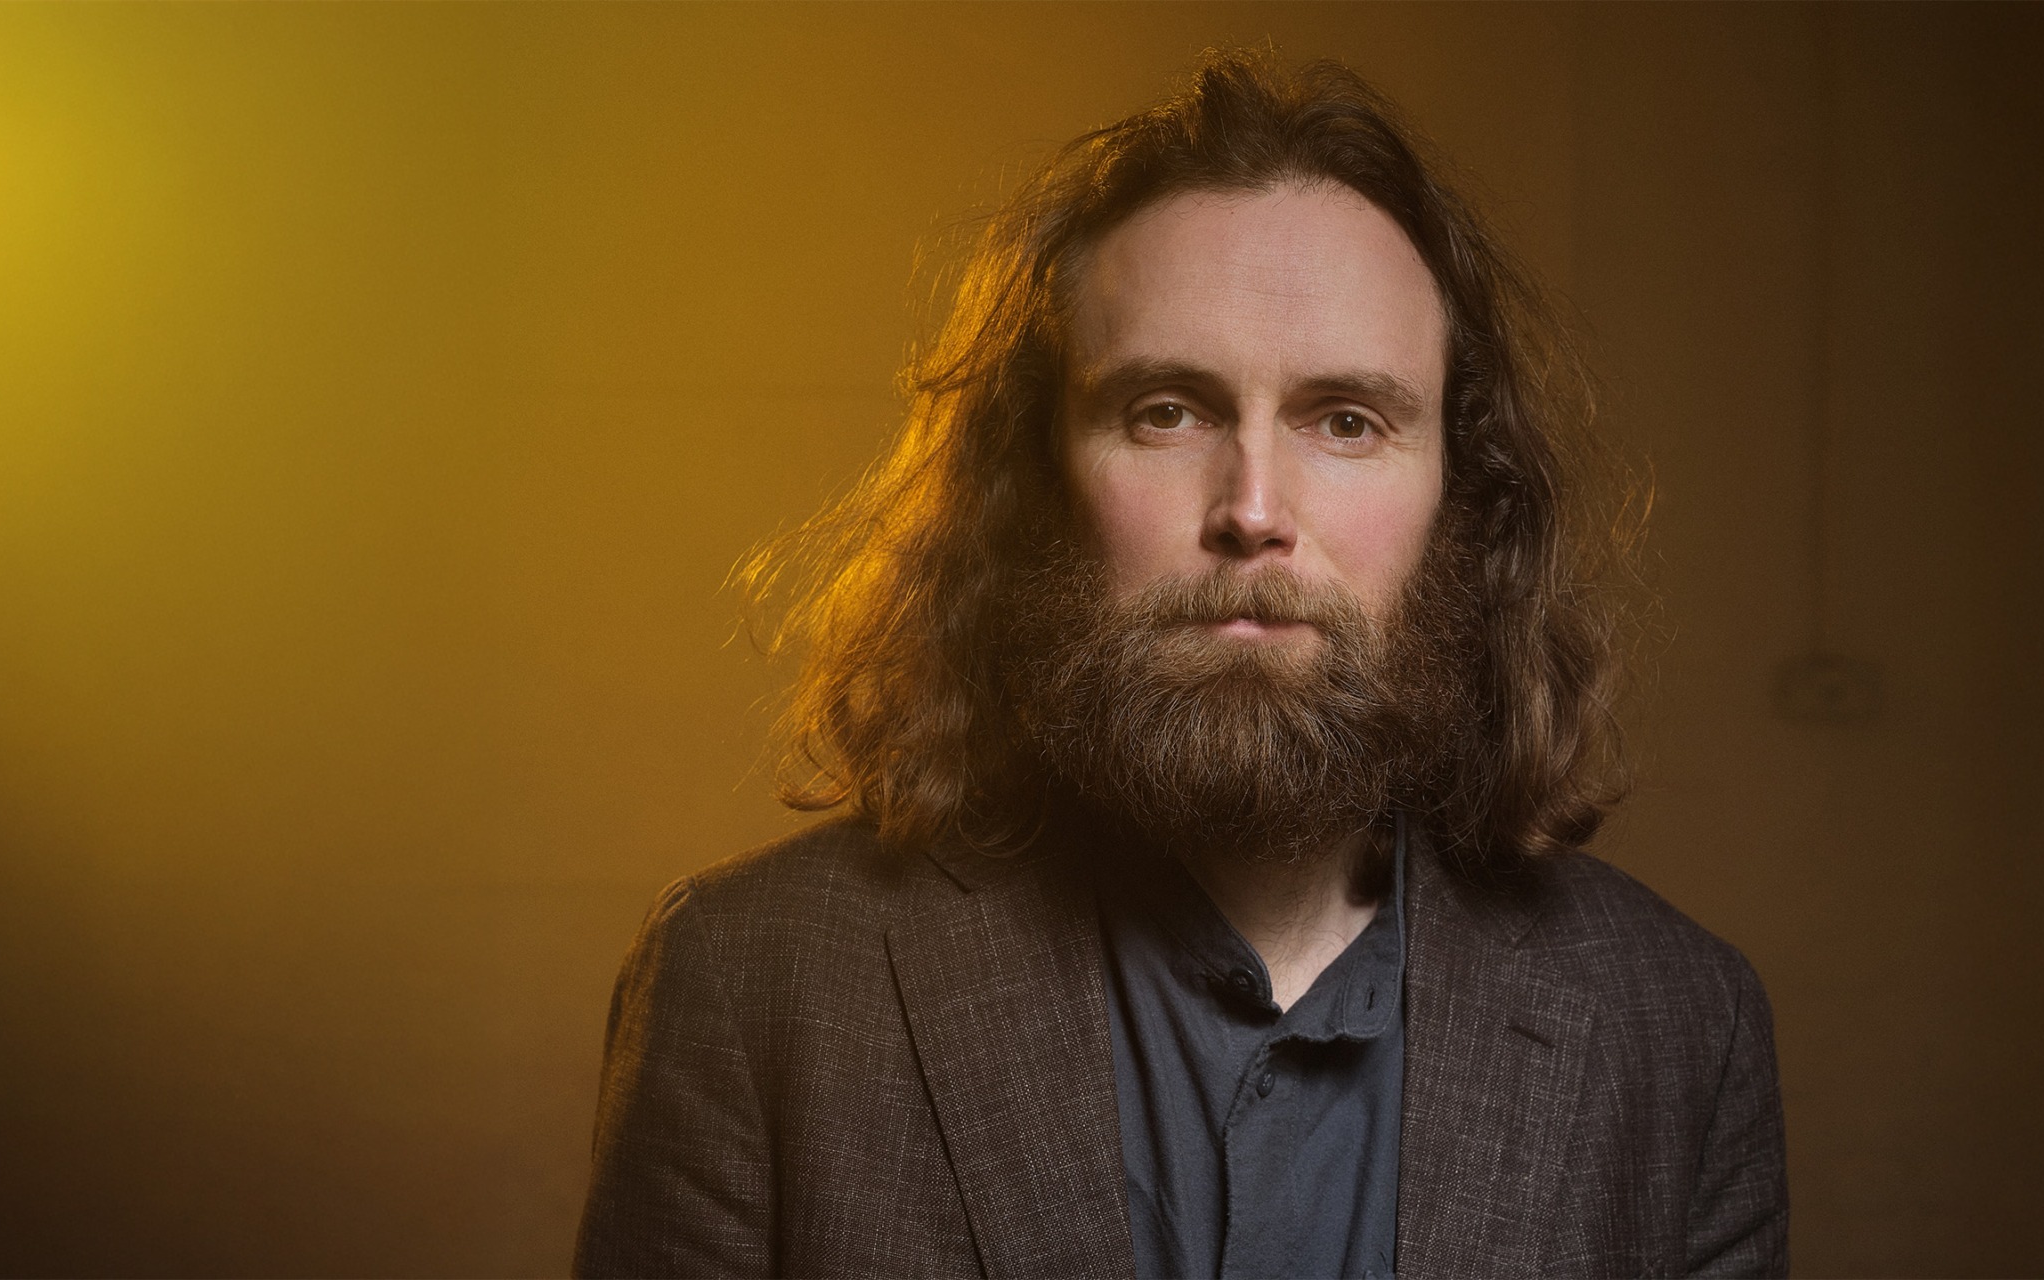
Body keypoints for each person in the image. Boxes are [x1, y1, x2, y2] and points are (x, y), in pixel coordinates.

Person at [574, 51, 1787, 1280]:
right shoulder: (754, 980)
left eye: (1347, 420)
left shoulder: (1680, 1025)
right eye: (1166, 411)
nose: (1252, 509)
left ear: (1461, 498)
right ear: (1038, 475)